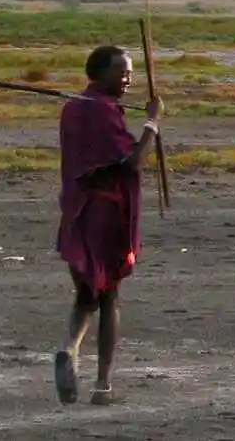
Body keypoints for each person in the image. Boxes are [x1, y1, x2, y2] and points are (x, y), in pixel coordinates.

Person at [52, 44, 163, 406]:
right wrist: (152, 123)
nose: (128, 78)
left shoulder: (75, 107)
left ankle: (69, 349)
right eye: (121, 71)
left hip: (76, 213)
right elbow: (132, 162)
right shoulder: (100, 112)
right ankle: (103, 386)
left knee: (87, 293)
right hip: (103, 216)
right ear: (98, 73)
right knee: (109, 296)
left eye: (130, 71)